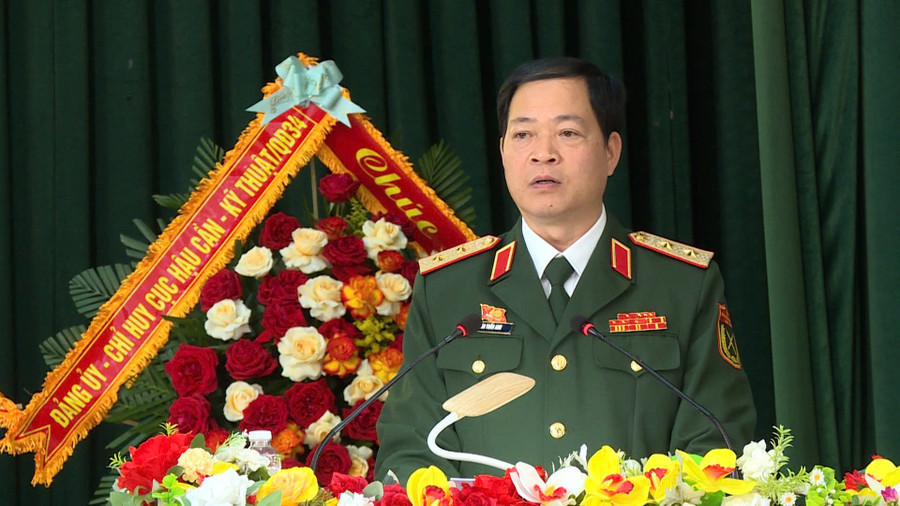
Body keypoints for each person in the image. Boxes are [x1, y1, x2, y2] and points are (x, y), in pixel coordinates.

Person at [375, 57, 756, 481]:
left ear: (611, 152)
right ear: (502, 152)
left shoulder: (683, 285)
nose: (543, 154)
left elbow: (715, 446)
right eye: (523, 135)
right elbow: (409, 449)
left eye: (568, 133)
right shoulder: (447, 289)